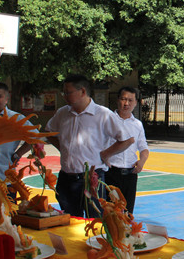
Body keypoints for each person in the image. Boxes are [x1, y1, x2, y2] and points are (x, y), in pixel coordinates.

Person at [45, 74, 134, 217]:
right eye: (64, 93)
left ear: (82, 91)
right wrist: (62, 148)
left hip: (91, 179)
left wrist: (106, 154)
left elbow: (127, 140)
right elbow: (49, 132)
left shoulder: (103, 114)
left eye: (68, 92)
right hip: (67, 179)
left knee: (95, 220)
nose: (65, 96)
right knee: (69, 221)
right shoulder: (63, 113)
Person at [105, 86, 150, 213]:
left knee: (128, 213)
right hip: (111, 173)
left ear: (135, 103)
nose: (126, 103)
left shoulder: (137, 124)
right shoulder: (107, 121)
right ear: (118, 100)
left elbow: (143, 147)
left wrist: (142, 161)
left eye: (130, 100)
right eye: (124, 99)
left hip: (130, 175)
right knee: (110, 213)